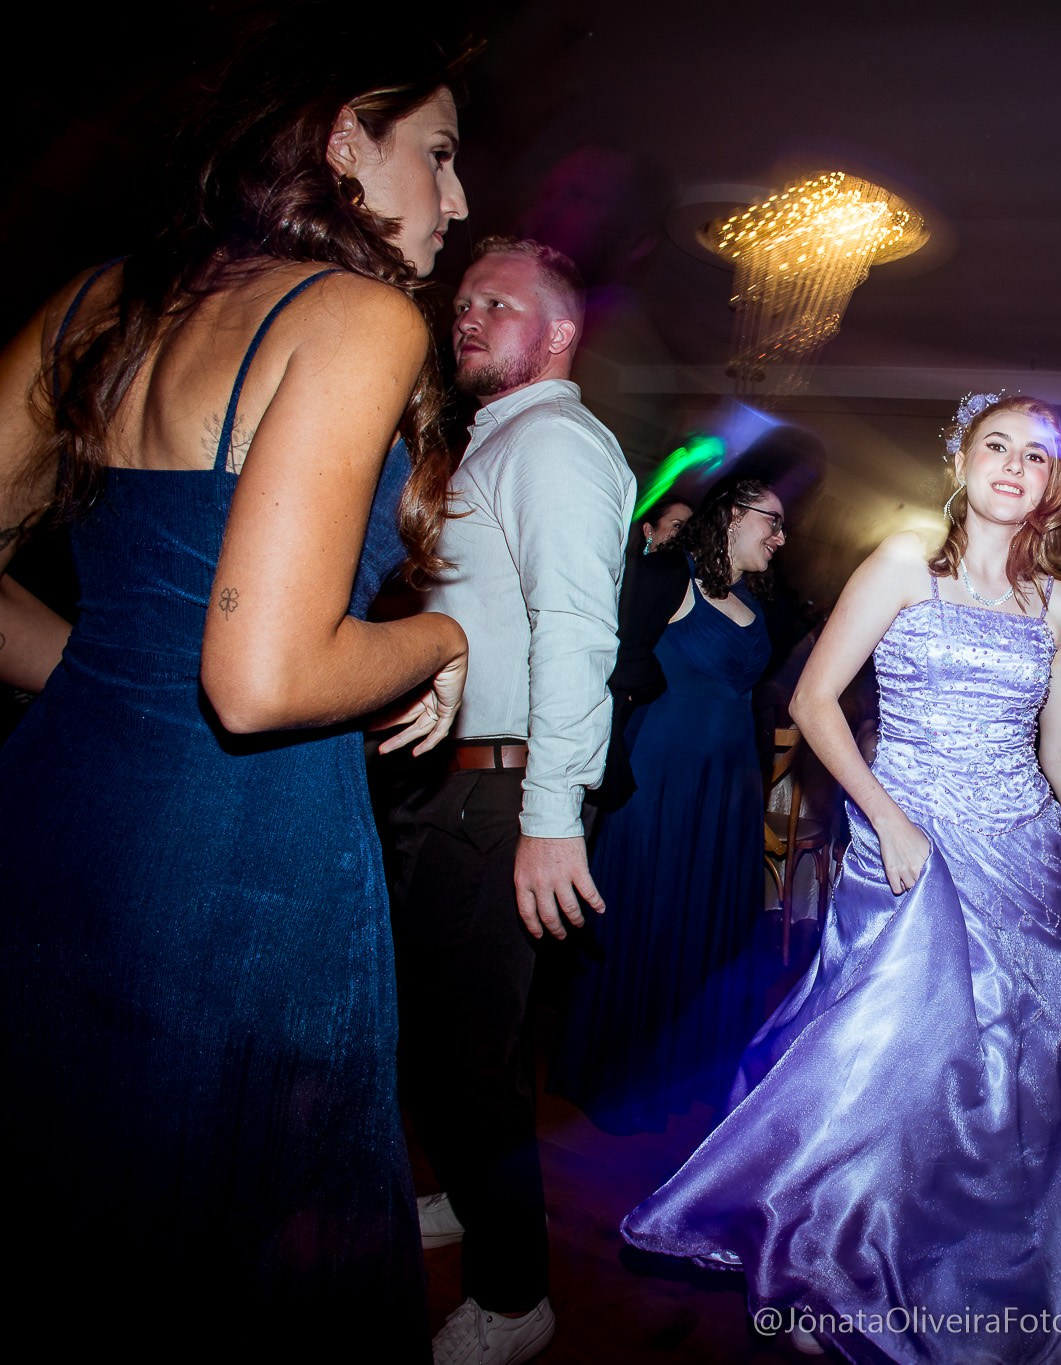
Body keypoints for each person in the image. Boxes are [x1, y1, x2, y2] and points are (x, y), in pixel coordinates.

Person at [0, 18, 471, 1356]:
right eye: (443, 157)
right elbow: (266, 680)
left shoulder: (96, 300)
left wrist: (105, 695)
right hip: (232, 883)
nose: (460, 201)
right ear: (348, 141)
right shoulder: (356, 314)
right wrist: (447, 642)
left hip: (30, 836)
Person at [619, 392, 1061, 1361]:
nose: (1014, 466)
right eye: (996, 445)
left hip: (1027, 859)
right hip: (907, 844)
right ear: (961, 463)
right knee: (881, 1066)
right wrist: (885, 817)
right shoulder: (903, 563)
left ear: (1053, 482)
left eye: (1035, 454)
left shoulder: (1060, 605)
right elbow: (815, 700)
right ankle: (828, 1263)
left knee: (999, 1086)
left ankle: (962, 1266)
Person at [390, 235, 633, 1363]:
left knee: (477, 1057)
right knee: (438, 1043)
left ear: (562, 334)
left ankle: (515, 1294)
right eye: (465, 301)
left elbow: (578, 635)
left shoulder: (557, 445)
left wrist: (550, 815)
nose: (469, 315)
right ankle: (468, 1201)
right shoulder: (492, 438)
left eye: (502, 303)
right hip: (451, 787)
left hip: (501, 793)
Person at [550, 476, 782, 1134]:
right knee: (648, 912)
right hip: (664, 775)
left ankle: (690, 1072)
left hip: (728, 786)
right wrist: (642, 690)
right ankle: (621, 1072)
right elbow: (613, 646)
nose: (780, 536)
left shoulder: (752, 600)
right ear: (733, 517)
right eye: (772, 520)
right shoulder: (669, 574)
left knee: (709, 917)